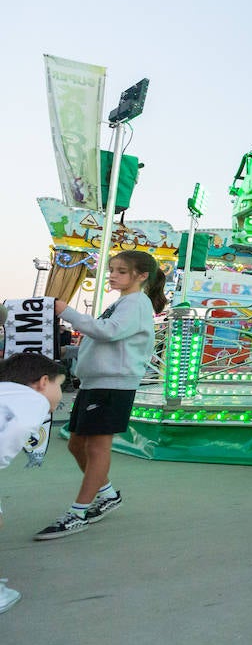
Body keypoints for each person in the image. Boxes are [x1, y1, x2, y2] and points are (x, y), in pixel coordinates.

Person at [36, 250, 166, 539]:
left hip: (112, 385)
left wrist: (66, 311)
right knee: (76, 445)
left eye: (121, 271)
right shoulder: (125, 302)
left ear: (141, 276)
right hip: (96, 383)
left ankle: (78, 512)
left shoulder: (136, 303)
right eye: (112, 270)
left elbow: (109, 332)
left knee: (96, 448)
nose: (113, 275)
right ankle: (106, 494)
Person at [0, 353, 67, 612]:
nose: (59, 394)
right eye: (58, 385)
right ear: (43, 382)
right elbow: (14, 429)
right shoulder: (33, 401)